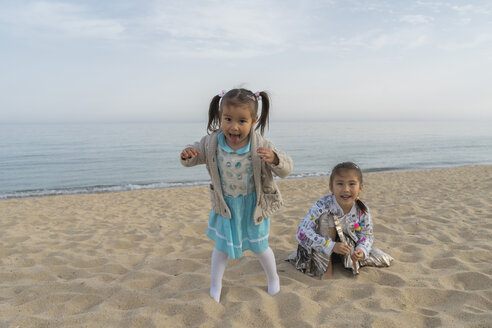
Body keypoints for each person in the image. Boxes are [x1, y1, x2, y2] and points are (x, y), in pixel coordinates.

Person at [180, 88, 293, 302]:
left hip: (253, 206)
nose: (234, 126)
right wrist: (187, 154)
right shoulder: (211, 142)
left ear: (254, 121)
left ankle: (273, 279)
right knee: (221, 249)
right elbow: (195, 154)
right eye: (228, 119)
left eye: (242, 121)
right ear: (220, 117)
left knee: (261, 248)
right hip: (226, 207)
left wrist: (275, 159)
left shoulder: (261, 145)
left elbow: (287, 168)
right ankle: (215, 286)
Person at [292, 162, 374, 279]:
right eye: (340, 184)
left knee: (378, 257)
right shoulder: (323, 205)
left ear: (360, 187)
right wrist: (330, 245)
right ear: (331, 186)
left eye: (352, 184)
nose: (346, 189)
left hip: (345, 249)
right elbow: (302, 232)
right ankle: (327, 269)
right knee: (328, 217)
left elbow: (367, 234)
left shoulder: (362, 210)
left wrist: (361, 249)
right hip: (322, 247)